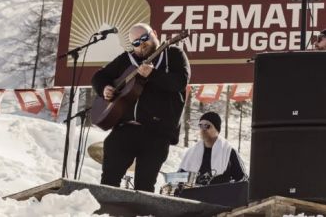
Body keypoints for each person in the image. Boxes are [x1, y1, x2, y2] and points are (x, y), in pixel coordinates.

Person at [92, 23, 190, 192]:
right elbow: (99, 76)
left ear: (155, 34)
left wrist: (153, 74)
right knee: (109, 180)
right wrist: (104, 88)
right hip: (125, 129)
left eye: (145, 38)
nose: (141, 44)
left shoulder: (173, 55)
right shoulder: (126, 60)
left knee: (144, 186)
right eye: (136, 43)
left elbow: (180, 82)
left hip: (157, 132)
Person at [177, 111, 247, 185]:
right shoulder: (191, 152)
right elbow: (178, 178)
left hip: (220, 195)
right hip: (192, 195)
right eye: (201, 126)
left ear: (217, 129)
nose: (203, 129)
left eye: (207, 126)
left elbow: (242, 180)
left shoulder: (228, 152)